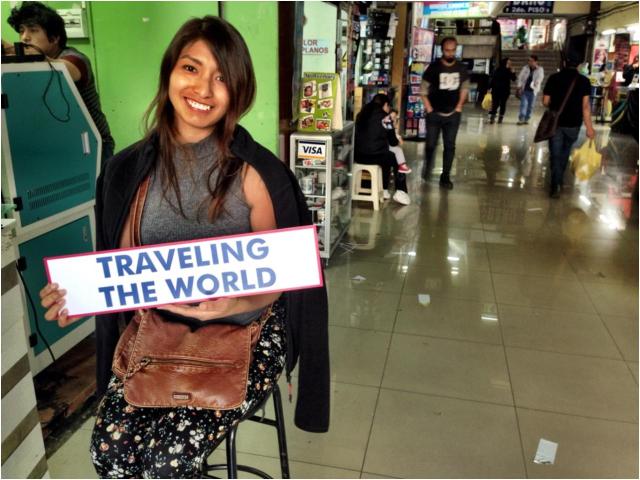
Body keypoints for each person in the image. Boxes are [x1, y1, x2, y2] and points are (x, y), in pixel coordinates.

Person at [39, 16, 329, 478]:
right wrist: (84, 294)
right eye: (191, 68)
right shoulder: (128, 170)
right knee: (110, 454)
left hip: (243, 333)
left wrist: (235, 303)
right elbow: (124, 268)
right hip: (157, 333)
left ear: (239, 90)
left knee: (168, 462)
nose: (204, 89)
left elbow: (283, 277)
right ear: (169, 73)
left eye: (222, 78)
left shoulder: (256, 173)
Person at [5, 1, 115, 167]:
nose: (25, 37)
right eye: (21, 31)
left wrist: (13, 50)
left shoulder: (75, 59)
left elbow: (62, 69)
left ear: (55, 37)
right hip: (63, 143)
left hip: (95, 143)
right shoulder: (33, 64)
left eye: (33, 30)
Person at [542, 52, 595, 198]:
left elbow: (545, 101)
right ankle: (558, 180)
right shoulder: (584, 81)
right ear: (579, 65)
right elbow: (585, 107)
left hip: (556, 123)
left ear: (564, 63)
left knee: (555, 154)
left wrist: (554, 104)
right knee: (565, 152)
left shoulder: (553, 78)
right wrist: (589, 128)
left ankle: (555, 184)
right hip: (573, 124)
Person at [420, 36, 469, 189]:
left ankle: (445, 176)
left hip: (453, 115)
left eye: (453, 50)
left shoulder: (461, 68)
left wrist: (459, 106)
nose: (450, 53)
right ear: (442, 50)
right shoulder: (434, 68)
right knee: (430, 144)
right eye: (447, 50)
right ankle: (428, 166)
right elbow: (423, 89)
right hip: (434, 114)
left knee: (450, 146)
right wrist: (429, 108)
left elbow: (465, 88)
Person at [355, 94, 411, 205]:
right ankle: (401, 191)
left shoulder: (361, 115)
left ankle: (384, 190)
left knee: (387, 156)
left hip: (359, 156)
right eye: (388, 107)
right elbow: (393, 142)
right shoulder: (386, 118)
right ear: (385, 105)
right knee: (395, 158)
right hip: (376, 157)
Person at [516, 54, 544, 125]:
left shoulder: (540, 69)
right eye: (529, 60)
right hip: (525, 89)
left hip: (533, 90)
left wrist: (537, 82)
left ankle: (527, 118)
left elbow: (540, 77)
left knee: (531, 106)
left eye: (532, 61)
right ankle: (521, 119)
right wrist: (519, 86)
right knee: (524, 104)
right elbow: (520, 77)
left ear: (536, 62)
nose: (530, 62)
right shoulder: (525, 68)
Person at [488, 57, 516, 124]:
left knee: (501, 104)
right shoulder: (499, 70)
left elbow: (513, 79)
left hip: (503, 90)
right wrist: (489, 88)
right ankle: (494, 117)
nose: (509, 64)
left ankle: (498, 118)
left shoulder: (507, 70)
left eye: (510, 63)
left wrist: (513, 72)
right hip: (497, 90)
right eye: (508, 63)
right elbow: (493, 79)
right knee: (496, 104)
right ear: (505, 63)